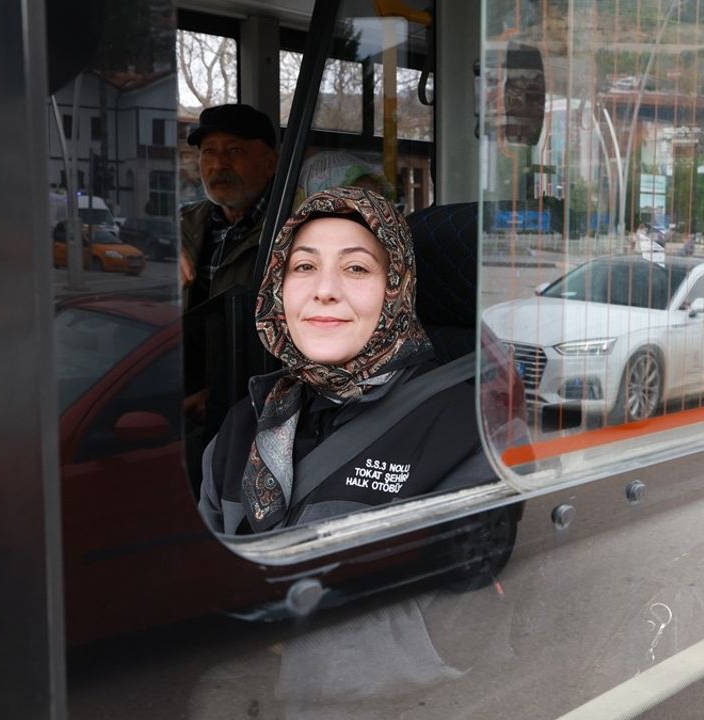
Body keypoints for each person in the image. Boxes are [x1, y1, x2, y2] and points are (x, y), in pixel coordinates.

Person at [197, 186, 486, 535]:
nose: (325, 290)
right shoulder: (243, 423)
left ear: (398, 286)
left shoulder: (467, 433)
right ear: (278, 286)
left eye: (356, 268)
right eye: (304, 265)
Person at [179, 103, 279, 427]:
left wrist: (220, 394)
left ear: (270, 162)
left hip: (250, 405)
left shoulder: (292, 230)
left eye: (235, 150)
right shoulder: (181, 226)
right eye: (208, 152)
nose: (219, 164)